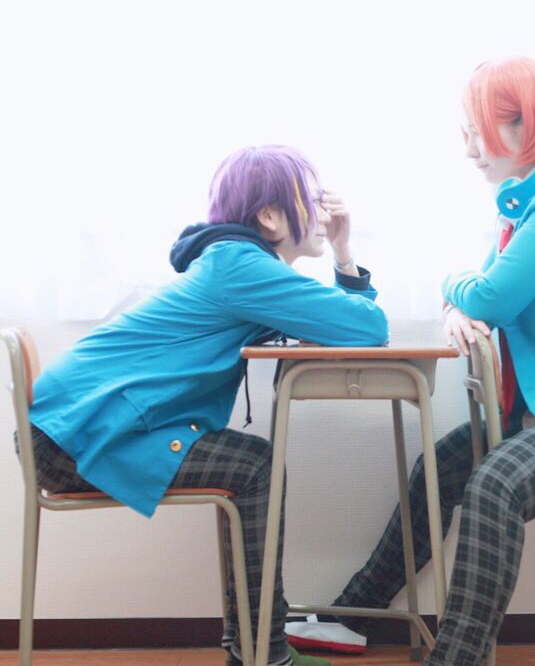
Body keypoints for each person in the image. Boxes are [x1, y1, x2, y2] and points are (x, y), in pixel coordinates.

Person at [286, 57, 535, 666]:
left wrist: (453, 289)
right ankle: (353, 617)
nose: (468, 149)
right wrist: (463, 299)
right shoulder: (523, 208)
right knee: (441, 467)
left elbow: (489, 297)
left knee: (498, 483)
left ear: (523, 124)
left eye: (475, 132)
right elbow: (484, 294)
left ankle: (456, 658)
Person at [23, 145, 388, 666]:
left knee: (250, 463)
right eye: (311, 198)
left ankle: (255, 648)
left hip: (68, 428)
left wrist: (343, 251)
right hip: (71, 439)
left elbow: (348, 326)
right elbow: (368, 327)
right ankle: (266, 653)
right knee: (255, 465)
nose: (324, 211)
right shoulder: (241, 268)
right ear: (270, 215)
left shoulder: (235, 263)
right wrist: (343, 255)